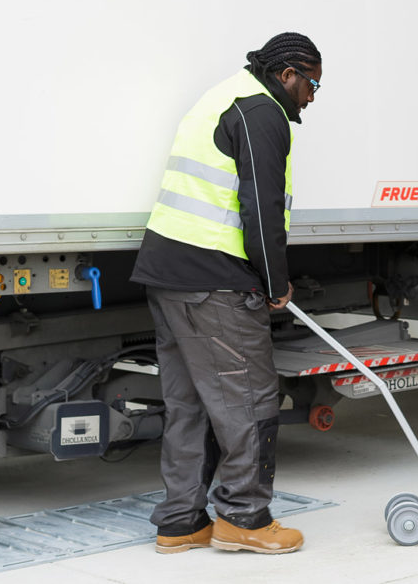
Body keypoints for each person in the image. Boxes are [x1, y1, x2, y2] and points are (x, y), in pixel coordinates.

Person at [131, 32, 322, 554]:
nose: (311, 97)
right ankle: (246, 517)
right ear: (288, 75)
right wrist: (276, 282)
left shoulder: (224, 96)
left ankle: (180, 522)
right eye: (311, 85)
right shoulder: (262, 113)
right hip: (213, 283)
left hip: (169, 275)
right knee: (251, 400)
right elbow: (259, 211)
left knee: (188, 404)